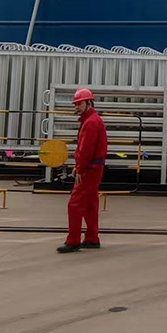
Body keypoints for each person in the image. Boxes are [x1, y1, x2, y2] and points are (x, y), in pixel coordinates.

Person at [58, 88, 109, 253]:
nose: (77, 107)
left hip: (89, 169)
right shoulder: (92, 120)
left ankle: (73, 241)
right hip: (93, 168)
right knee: (90, 204)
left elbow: (86, 149)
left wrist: (79, 168)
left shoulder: (91, 123)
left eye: (79, 104)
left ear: (89, 102)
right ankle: (92, 238)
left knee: (74, 204)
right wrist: (79, 166)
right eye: (75, 104)